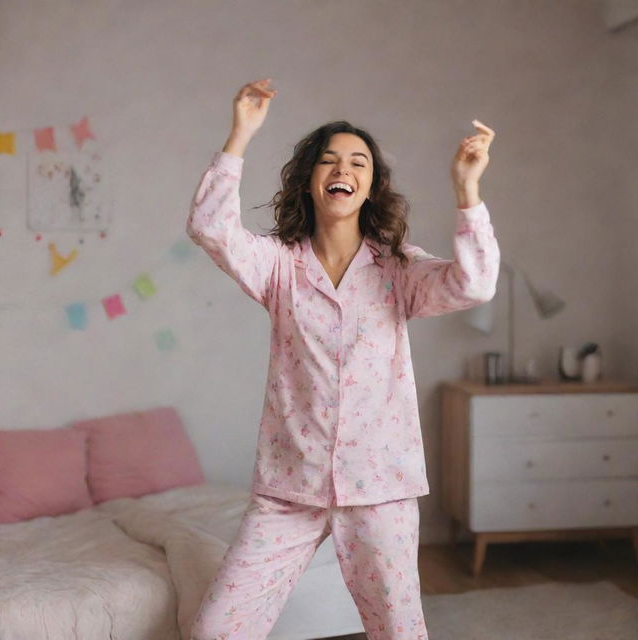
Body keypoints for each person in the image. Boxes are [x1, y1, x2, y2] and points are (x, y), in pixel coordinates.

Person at [186, 77, 500, 640]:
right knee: (217, 629)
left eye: (358, 163)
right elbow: (210, 227)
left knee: (399, 632)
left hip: (380, 488)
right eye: (329, 161)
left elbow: (474, 283)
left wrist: (466, 189)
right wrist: (241, 134)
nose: (343, 170)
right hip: (289, 487)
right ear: (308, 181)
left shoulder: (399, 271)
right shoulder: (277, 267)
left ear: (371, 185)